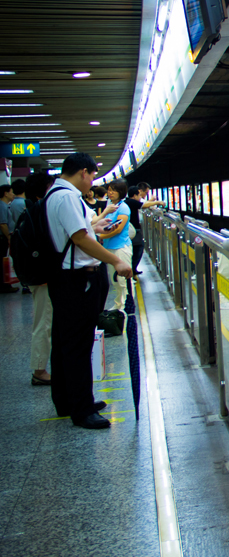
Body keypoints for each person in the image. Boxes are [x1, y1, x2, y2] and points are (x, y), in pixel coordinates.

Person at [47, 153, 132, 429]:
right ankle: (81, 409)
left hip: (67, 279)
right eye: (93, 176)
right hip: (76, 281)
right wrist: (115, 259)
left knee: (64, 343)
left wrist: (94, 226)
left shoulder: (57, 194)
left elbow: (80, 232)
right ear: (83, 172)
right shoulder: (67, 197)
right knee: (77, 345)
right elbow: (79, 238)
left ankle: (68, 400)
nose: (93, 182)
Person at [22, 172, 56, 385]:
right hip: (41, 277)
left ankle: (41, 367)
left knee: (44, 322)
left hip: (35, 275)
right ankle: (39, 370)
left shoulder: (29, 211)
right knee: (43, 322)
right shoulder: (39, 211)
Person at [98, 179, 131, 314]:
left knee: (123, 280)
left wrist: (100, 237)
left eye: (113, 190)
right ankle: (119, 304)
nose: (110, 193)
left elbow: (117, 229)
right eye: (109, 190)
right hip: (110, 248)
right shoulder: (112, 206)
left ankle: (126, 305)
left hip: (120, 247)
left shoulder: (123, 207)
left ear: (121, 192)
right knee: (115, 280)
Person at [126, 185, 164, 276]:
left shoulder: (129, 202)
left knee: (137, 248)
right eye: (139, 195)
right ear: (135, 195)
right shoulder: (131, 201)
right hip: (134, 230)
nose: (141, 197)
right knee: (138, 248)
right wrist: (158, 202)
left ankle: (133, 270)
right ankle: (131, 270)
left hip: (134, 230)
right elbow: (143, 205)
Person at [8, 180, 30, 293]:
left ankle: (22, 281)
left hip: (14, 235)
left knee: (17, 259)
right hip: (24, 235)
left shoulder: (10, 204)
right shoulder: (25, 203)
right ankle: (26, 283)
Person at [0, 184, 16, 294]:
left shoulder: (5, 205)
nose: (13, 194)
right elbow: (2, 224)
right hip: (2, 238)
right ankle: (4, 285)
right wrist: (8, 237)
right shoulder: (1, 206)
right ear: (5, 193)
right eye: (11, 192)